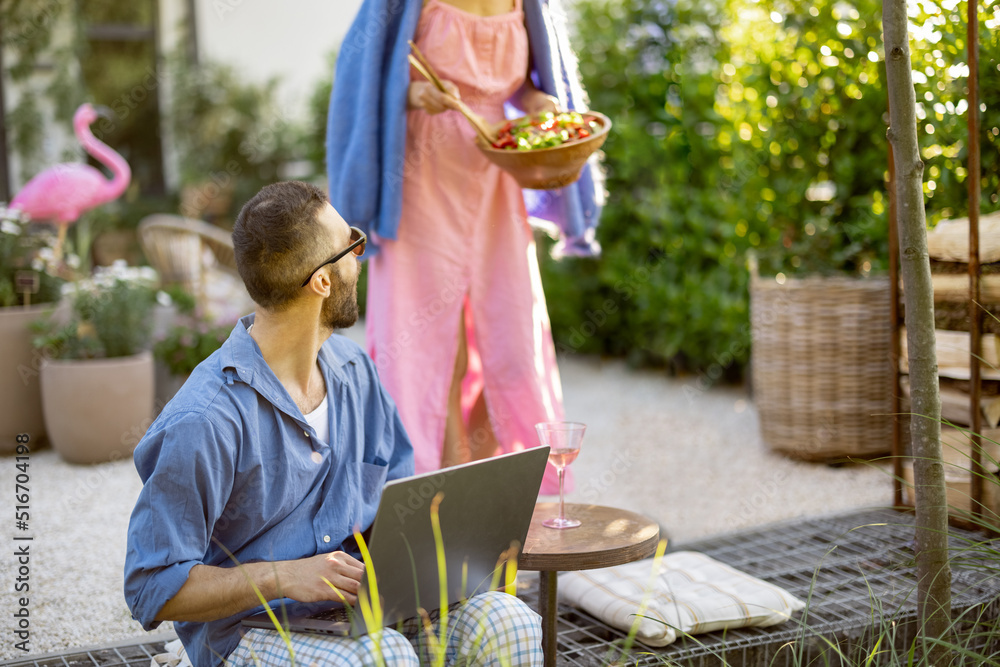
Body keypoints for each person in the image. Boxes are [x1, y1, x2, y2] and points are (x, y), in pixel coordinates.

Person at [123, 181, 543, 667]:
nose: (359, 259)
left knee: (507, 623)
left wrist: (451, 545)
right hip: (250, 631)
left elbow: (399, 492)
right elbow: (151, 586)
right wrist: (281, 576)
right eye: (353, 245)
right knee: (380, 659)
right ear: (322, 281)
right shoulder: (204, 420)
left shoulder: (354, 370)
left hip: (366, 610)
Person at [327, 0, 604, 492]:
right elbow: (358, 73)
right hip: (420, 178)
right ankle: (418, 497)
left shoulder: (529, 5)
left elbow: (520, 83)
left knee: (513, 341)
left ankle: (508, 491)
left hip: (496, 176)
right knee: (423, 349)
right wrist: (416, 94)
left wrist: (538, 101)